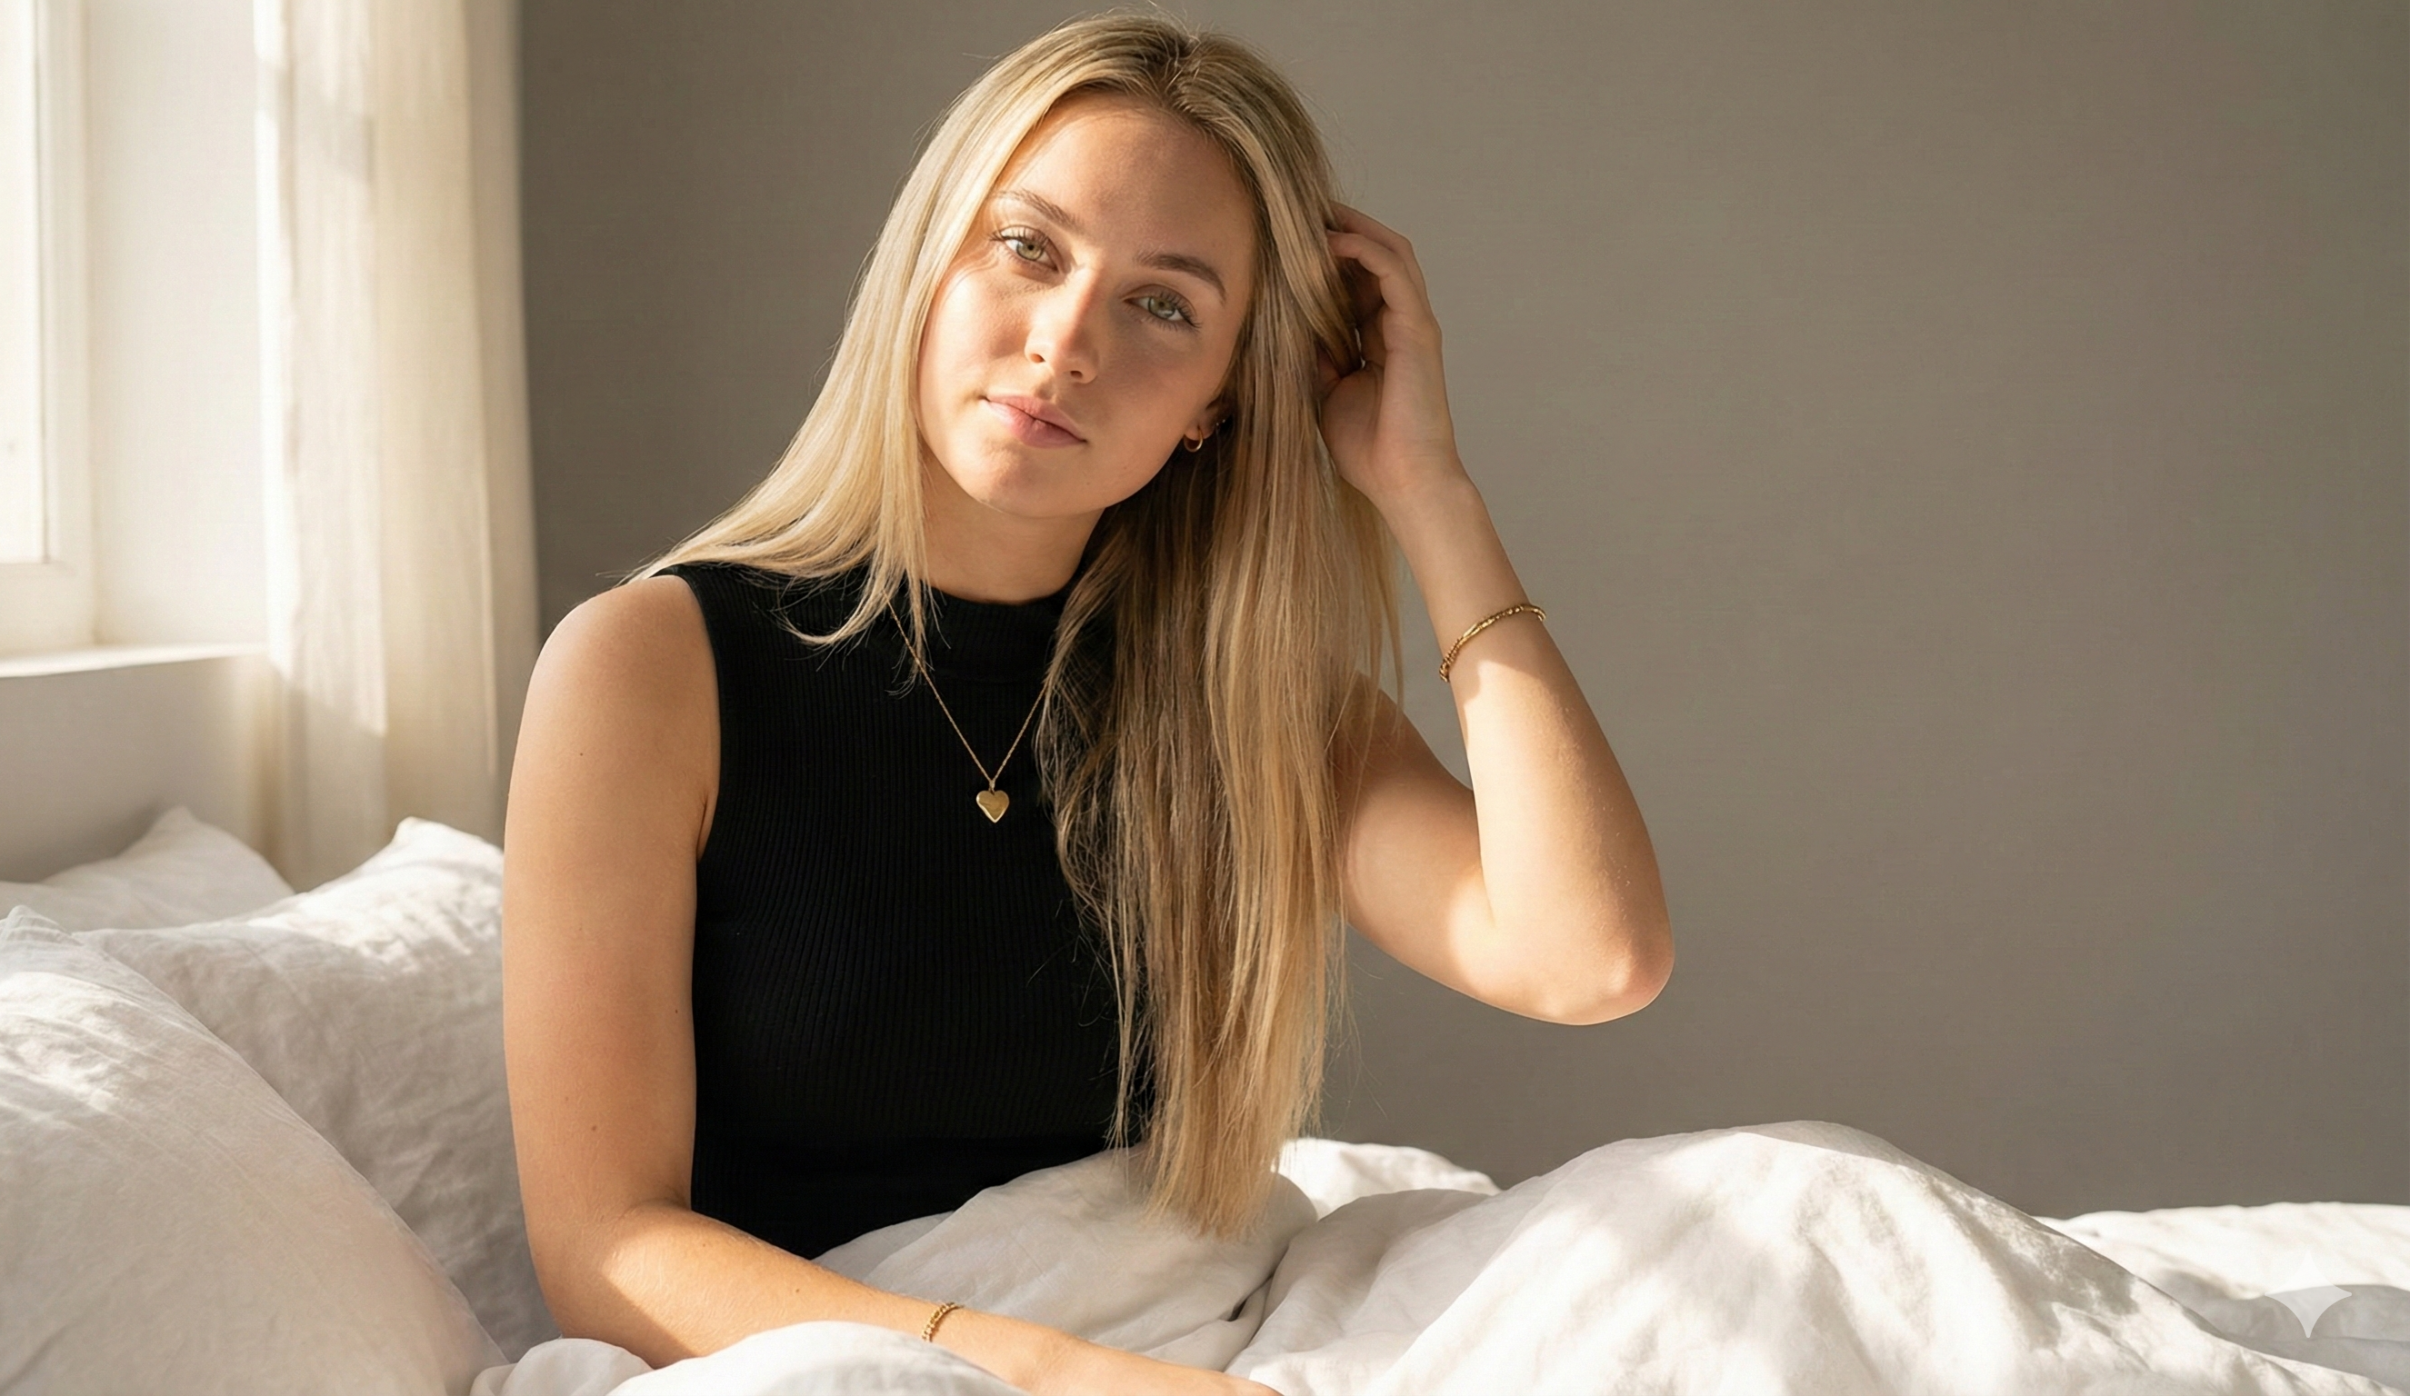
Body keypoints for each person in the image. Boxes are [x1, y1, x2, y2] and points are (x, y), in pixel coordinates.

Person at [499, 9, 1672, 1392]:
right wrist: (1043, 1377)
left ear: (1219, 404)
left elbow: (1586, 956)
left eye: (1163, 303)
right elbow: (605, 1244)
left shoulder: (1251, 702)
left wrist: (1429, 491)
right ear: (931, 266)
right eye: (1028, 248)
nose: (1066, 343)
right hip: (846, 1359)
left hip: (1199, 1330)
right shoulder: (650, 665)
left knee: (1788, 1210)